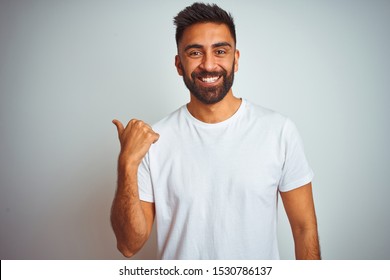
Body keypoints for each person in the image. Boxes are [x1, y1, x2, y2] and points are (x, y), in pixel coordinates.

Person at [111, 2, 321, 260]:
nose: (209, 65)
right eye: (195, 53)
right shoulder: (153, 141)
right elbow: (128, 245)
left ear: (236, 59)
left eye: (220, 51)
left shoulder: (278, 131)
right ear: (179, 65)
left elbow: (304, 229)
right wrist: (127, 162)